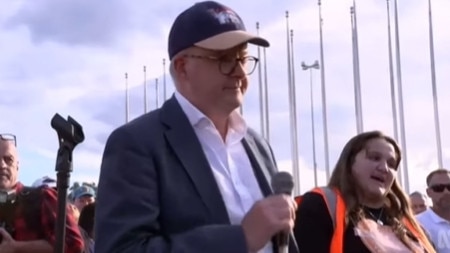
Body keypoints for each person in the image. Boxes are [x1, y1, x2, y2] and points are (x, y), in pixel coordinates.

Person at [94, 1, 298, 253]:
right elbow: (122, 249)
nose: (239, 72)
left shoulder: (259, 146)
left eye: (243, 59)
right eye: (224, 59)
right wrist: (240, 238)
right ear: (183, 68)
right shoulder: (136, 143)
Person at [294, 130, 435, 253]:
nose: (384, 168)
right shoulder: (320, 205)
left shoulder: (410, 224)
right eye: (374, 158)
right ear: (350, 162)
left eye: (392, 164)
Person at [0, 133, 84, 253]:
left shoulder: (42, 197)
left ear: (17, 166)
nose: (2, 165)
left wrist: (16, 247)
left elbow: (73, 244)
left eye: (8, 160)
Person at [416, 169, 450, 252]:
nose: (446, 192)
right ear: (428, 192)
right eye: (438, 188)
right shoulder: (418, 223)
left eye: (449, 187)